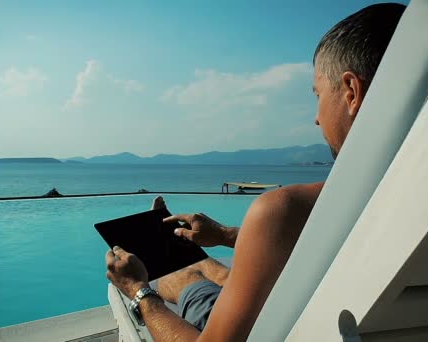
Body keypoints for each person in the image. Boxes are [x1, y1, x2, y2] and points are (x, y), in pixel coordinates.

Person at [105, 3, 407, 341]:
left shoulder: (286, 209)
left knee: (180, 276)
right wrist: (226, 235)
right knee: (207, 266)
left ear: (351, 92)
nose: (317, 118)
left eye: (318, 95)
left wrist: (138, 291)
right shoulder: (425, 195)